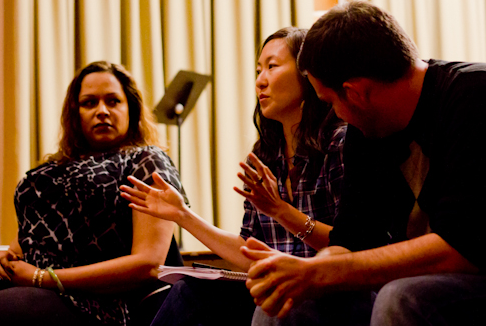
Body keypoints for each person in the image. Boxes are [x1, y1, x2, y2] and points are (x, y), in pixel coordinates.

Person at [241, 0, 486, 326]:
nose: (334, 116)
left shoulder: (480, 96)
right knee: (287, 305)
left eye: (329, 102)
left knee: (402, 298)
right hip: (422, 277)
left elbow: (460, 249)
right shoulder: (366, 130)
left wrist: (320, 271)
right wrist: (300, 274)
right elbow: (352, 242)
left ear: (355, 93)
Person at [120, 27, 346, 325]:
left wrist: (282, 212)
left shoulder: (340, 144)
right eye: (257, 70)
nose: (260, 81)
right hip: (275, 286)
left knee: (274, 305)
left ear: (307, 74)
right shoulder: (266, 155)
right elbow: (247, 250)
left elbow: (351, 245)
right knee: (188, 293)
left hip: (333, 288)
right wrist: (182, 215)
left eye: (272, 67)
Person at [0, 61, 186, 326]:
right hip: (36, 283)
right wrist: (3, 256)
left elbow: (148, 264)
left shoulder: (145, 160)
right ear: (75, 113)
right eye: (89, 103)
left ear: (130, 108)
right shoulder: (53, 169)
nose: (102, 111)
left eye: (113, 101)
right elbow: (35, 234)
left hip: (98, 303)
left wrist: (40, 277)